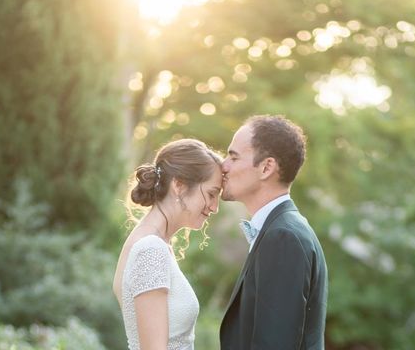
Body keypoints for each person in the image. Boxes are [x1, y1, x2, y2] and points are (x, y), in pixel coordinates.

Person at [219, 115, 328, 350]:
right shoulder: (280, 229)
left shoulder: (283, 238)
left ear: (266, 167)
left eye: (233, 157)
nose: (223, 166)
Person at [113, 138, 223, 350]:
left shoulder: (154, 244)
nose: (215, 207)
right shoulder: (150, 249)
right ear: (179, 185)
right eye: (211, 193)